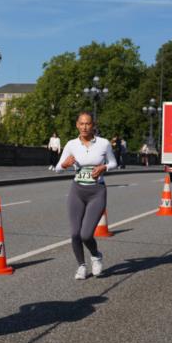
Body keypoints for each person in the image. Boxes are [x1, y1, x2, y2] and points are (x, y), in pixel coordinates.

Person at [56, 112, 117, 280]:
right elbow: (57, 169)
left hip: (97, 191)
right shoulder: (71, 144)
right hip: (77, 191)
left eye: (88, 124)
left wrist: (104, 167)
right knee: (75, 233)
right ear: (77, 125)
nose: (84, 127)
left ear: (93, 125)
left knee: (86, 234)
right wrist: (64, 164)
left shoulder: (104, 144)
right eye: (81, 123)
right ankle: (81, 266)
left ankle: (96, 255)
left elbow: (114, 163)